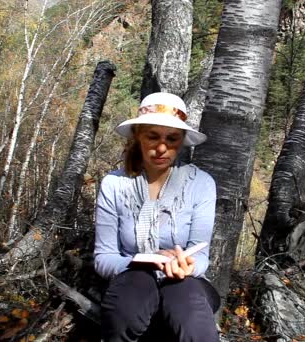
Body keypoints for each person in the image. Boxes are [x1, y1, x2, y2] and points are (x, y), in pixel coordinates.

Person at [94, 92, 220, 342]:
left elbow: (201, 255)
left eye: (172, 139)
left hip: (185, 282)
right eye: (153, 136)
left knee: (191, 314)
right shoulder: (114, 184)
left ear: (182, 141)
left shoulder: (201, 184)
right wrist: (141, 262)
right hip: (131, 277)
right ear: (138, 136)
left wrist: (188, 265)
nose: (162, 147)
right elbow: (103, 257)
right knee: (125, 310)